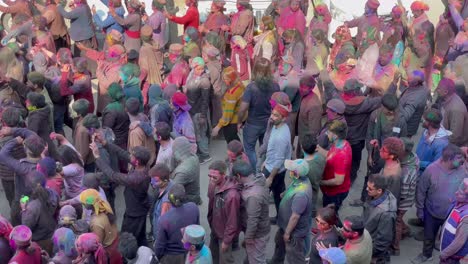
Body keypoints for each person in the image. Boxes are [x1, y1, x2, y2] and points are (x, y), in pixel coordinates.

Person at [90, 140, 151, 247]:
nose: (129, 156)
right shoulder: (143, 166)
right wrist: (105, 143)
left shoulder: (135, 178)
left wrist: (97, 157)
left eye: (132, 156)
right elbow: (123, 153)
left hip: (134, 213)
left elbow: (112, 175)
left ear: (136, 162)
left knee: (126, 239)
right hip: (140, 208)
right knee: (140, 236)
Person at [413, 144, 466, 264]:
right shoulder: (431, 170)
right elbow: (421, 191)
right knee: (429, 236)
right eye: (458, 158)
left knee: (448, 237)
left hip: (452, 214)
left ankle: (443, 251)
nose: (462, 161)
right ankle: (427, 255)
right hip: (432, 212)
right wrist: (420, 210)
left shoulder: (462, 170)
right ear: (448, 159)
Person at [237, 58, 280, 169]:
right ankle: (262, 168)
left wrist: (239, 121)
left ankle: (255, 171)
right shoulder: (275, 86)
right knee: (265, 147)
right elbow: (278, 105)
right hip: (269, 122)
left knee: (250, 148)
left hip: (253, 124)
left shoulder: (251, 88)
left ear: (255, 70)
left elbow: (242, 109)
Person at [269, 159, 312, 264]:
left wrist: (287, 233)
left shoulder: (301, 194)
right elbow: (292, 187)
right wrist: (285, 194)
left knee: (294, 256)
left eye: (291, 170)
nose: (289, 171)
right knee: (279, 244)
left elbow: (295, 217)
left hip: (293, 232)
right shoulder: (300, 180)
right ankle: (276, 261)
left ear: (296, 174)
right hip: (285, 226)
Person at [0, 128, 45, 225]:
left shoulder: (23, 168)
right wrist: (12, 131)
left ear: (27, 151)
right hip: (40, 197)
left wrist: (15, 140)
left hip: (23, 198)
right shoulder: (44, 160)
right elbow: (32, 133)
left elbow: (3, 154)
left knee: (16, 215)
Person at [341, 79, 381, 185]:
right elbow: (383, 99)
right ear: (356, 91)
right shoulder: (366, 104)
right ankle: (351, 178)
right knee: (355, 161)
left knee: (342, 158)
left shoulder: (340, 101)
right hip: (357, 139)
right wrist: (393, 84)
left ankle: (341, 176)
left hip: (343, 136)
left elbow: (330, 89)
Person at [232, 160, 270, 264]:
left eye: (235, 178)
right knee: (254, 257)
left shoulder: (253, 196)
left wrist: (248, 238)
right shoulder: (258, 179)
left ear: (239, 176)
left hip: (257, 234)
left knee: (257, 260)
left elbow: (253, 219)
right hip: (262, 228)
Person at [155, 184, 200, 264]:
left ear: (169, 198)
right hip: (190, 251)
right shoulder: (194, 207)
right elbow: (197, 229)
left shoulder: (164, 220)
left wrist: (157, 257)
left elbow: (160, 245)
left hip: (172, 257)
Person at [207, 160, 241, 264]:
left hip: (224, 234)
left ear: (223, 175)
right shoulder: (213, 184)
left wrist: (226, 241)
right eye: (209, 176)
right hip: (215, 229)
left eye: (214, 177)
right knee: (213, 255)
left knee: (225, 259)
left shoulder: (232, 195)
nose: (211, 179)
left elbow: (232, 221)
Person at [263, 104, 292, 220]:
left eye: (276, 115)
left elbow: (279, 159)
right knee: (278, 195)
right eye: (272, 114)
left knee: (262, 196)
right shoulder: (279, 126)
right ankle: (281, 218)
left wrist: (270, 177)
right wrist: (266, 160)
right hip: (274, 167)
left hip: (273, 171)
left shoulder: (281, 137)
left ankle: (263, 221)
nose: (272, 117)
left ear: (283, 118)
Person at [391, 138, 420, 255]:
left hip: (403, 201)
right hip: (406, 198)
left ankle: (395, 247)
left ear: (404, 151)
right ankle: (406, 229)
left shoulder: (406, 172)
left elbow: (402, 194)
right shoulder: (414, 157)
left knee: (396, 220)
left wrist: (393, 204)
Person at [79, 189, 122, 264]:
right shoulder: (104, 204)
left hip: (109, 252)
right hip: (115, 242)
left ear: (87, 206)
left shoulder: (96, 222)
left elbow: (97, 243)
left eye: (83, 203)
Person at [21, 171, 58, 255]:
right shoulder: (53, 193)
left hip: (40, 241)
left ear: (29, 187)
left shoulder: (32, 207)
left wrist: (24, 210)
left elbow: (26, 227)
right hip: (52, 233)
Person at [319, 120, 352, 213]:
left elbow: (338, 181)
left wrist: (321, 182)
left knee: (329, 216)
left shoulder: (341, 155)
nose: (326, 134)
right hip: (331, 191)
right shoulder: (342, 144)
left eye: (329, 132)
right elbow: (330, 155)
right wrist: (318, 149)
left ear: (335, 135)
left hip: (335, 193)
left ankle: (335, 227)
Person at [183, 57, 212, 164]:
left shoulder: (204, 81)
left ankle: (205, 155)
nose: (200, 71)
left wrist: (203, 116)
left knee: (201, 134)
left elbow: (205, 100)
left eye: (201, 69)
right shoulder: (192, 74)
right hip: (192, 109)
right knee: (196, 133)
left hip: (199, 112)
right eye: (197, 69)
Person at [363, 173, 397, 263]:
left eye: (370, 188)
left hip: (373, 251)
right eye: (367, 186)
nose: (367, 189)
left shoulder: (386, 214)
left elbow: (383, 241)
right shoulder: (374, 195)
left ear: (379, 190)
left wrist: (367, 252)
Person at [0, 107, 26, 209]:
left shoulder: (2, 139)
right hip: (23, 172)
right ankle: (25, 211)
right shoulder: (24, 132)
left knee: (13, 200)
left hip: (8, 176)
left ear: (4, 122)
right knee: (24, 196)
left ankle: (17, 217)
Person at [212, 66, 245, 143]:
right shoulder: (240, 86)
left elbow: (228, 114)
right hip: (238, 118)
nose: (224, 81)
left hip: (231, 122)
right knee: (236, 141)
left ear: (231, 79)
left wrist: (218, 127)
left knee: (232, 143)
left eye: (225, 79)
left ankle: (237, 154)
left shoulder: (232, 93)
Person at [439, 179, 468, 263]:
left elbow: (459, 241)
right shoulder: (459, 204)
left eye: (460, 193)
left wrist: (444, 254)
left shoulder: (466, 217)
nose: (456, 193)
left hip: (451, 257)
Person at [436, 78, 468, 146]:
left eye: (438, 88)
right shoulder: (444, 99)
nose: (436, 90)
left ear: (445, 92)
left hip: (454, 147)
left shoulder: (456, 109)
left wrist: (441, 145)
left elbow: (454, 136)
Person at [125, 98, 156, 167]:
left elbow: (138, 155)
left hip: (142, 164)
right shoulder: (144, 117)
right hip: (151, 156)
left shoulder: (135, 132)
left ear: (126, 109)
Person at [301, 134, 326, 217]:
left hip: (305, 191)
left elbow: (296, 181)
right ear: (316, 147)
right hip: (315, 186)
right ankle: (312, 211)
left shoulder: (303, 168)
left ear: (302, 147)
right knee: (313, 200)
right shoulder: (321, 158)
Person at [171, 136, 201, 205]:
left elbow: (173, 192)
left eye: (173, 150)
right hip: (195, 194)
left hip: (187, 200)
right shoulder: (194, 156)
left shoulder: (182, 172)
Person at [297, 75, 322, 156]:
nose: (300, 89)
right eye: (300, 86)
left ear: (311, 88)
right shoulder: (304, 95)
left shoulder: (314, 105)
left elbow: (314, 130)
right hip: (302, 136)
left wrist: (307, 148)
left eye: (303, 87)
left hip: (307, 142)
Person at [150, 163, 174, 240]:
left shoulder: (166, 202)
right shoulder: (168, 183)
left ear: (165, 181)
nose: (152, 182)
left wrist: (159, 240)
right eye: (151, 179)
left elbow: (163, 225)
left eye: (155, 181)